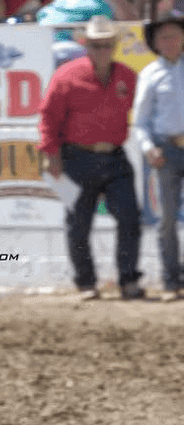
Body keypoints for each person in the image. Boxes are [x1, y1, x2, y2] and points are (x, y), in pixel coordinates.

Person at [38, 15, 144, 301]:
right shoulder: (67, 76)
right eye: (96, 45)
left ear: (114, 46)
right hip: (75, 157)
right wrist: (51, 154)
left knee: (130, 217)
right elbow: (49, 117)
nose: (101, 50)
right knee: (78, 223)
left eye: (107, 44)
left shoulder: (127, 76)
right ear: (86, 45)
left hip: (115, 156)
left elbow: (143, 112)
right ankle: (86, 283)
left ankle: (128, 279)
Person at [133, 15, 184, 299]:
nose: (170, 41)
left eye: (174, 35)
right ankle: (170, 281)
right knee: (166, 219)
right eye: (163, 37)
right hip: (167, 149)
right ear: (155, 43)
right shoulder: (150, 75)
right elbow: (140, 122)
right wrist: (148, 147)